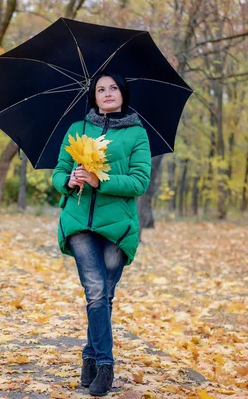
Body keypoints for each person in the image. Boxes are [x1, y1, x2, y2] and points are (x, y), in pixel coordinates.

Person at [52, 71, 152, 396]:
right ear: (93, 96)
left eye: (113, 88)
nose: (107, 93)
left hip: (118, 228)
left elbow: (139, 182)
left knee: (103, 297)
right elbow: (57, 173)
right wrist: (70, 180)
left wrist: (101, 181)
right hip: (79, 222)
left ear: (122, 93)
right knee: (95, 291)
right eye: (100, 89)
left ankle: (89, 358)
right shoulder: (77, 129)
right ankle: (106, 367)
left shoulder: (137, 134)